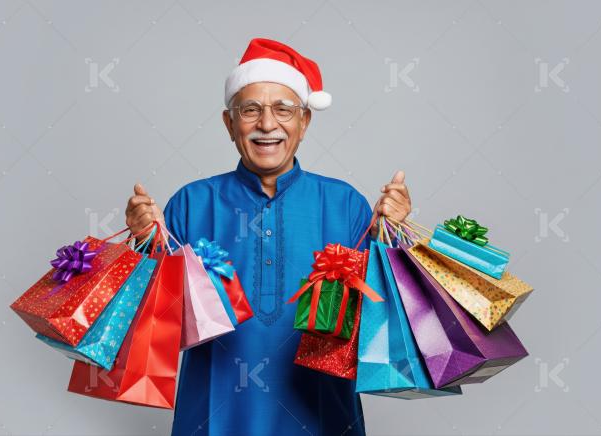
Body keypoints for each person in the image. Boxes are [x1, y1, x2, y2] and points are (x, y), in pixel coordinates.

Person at [124, 38, 412, 436]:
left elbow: (381, 321)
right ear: (229, 123)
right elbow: (151, 320)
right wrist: (144, 240)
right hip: (214, 414)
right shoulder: (191, 202)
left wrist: (392, 240)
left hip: (322, 413)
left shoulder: (344, 203)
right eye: (251, 110)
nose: (267, 124)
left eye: (283, 110)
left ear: (305, 122)